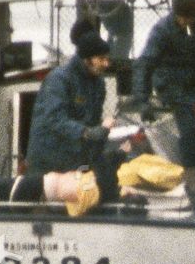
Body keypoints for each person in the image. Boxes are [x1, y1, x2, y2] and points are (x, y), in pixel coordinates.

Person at [128, 0, 195, 208]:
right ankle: (194, 188)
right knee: (189, 134)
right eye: (180, 18)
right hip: (174, 85)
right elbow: (144, 64)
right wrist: (142, 99)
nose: (183, 22)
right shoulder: (162, 31)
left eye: (188, 18)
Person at [23, 29, 127, 203]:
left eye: (107, 59)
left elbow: (94, 120)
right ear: (86, 59)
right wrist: (86, 132)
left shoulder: (98, 84)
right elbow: (54, 119)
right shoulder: (58, 80)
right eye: (101, 59)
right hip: (48, 157)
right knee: (40, 200)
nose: (106, 64)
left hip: (75, 158)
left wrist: (104, 133)